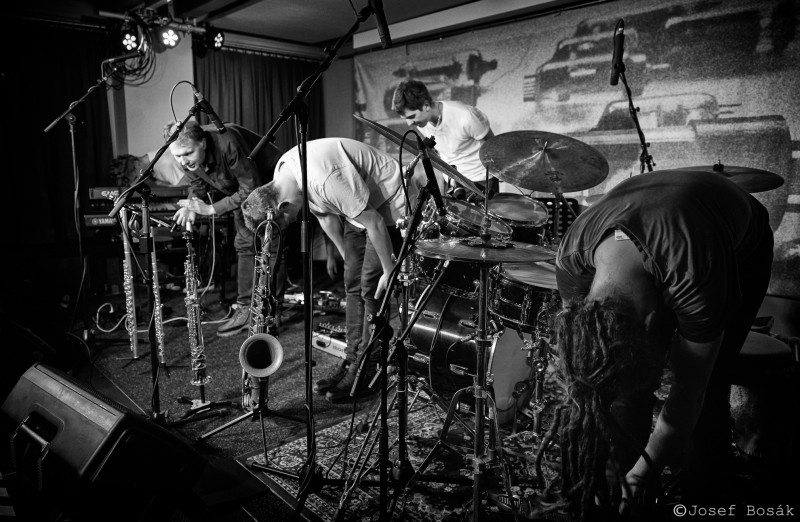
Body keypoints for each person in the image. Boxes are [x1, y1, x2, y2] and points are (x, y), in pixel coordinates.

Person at [546, 170, 773, 521]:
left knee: (710, 390)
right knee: (622, 388)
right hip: (670, 228)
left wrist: (646, 470)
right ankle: (618, 493)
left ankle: (705, 502)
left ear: (655, 321)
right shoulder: (571, 261)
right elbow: (588, 364)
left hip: (741, 247)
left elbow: (690, 390)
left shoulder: (696, 278)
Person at [241, 137, 425, 403]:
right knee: (353, 283)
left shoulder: (322, 180)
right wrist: (346, 258)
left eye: (287, 221)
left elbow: (374, 221)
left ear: (282, 207)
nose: (291, 223)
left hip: (390, 204)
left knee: (371, 289)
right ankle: (352, 359)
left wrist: (389, 270)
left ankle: (368, 365)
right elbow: (324, 214)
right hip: (359, 207)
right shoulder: (284, 177)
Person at [168, 120, 284, 337]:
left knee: (271, 247)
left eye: (188, 153)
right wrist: (191, 204)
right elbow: (197, 183)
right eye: (177, 156)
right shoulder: (187, 156)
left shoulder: (228, 142)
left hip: (272, 182)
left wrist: (212, 209)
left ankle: (271, 314)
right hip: (240, 190)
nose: (182, 161)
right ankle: (246, 309)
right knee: (245, 245)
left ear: (203, 143)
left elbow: (252, 187)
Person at [391, 80, 497, 199]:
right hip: (453, 182)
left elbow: (495, 146)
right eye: (405, 118)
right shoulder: (422, 123)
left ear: (426, 105)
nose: (409, 123)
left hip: (480, 181)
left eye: (411, 116)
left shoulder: (466, 116)